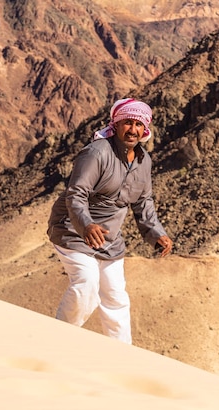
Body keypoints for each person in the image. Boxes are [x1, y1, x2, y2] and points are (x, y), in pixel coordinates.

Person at [47, 97, 173, 344]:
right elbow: (76, 193)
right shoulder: (96, 153)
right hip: (73, 229)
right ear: (115, 124)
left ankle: (121, 356)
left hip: (109, 238)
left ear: (145, 129)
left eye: (139, 125)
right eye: (128, 123)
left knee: (116, 298)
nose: (133, 130)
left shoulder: (143, 161)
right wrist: (86, 224)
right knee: (87, 284)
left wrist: (156, 233)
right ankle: (58, 341)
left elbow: (143, 202)